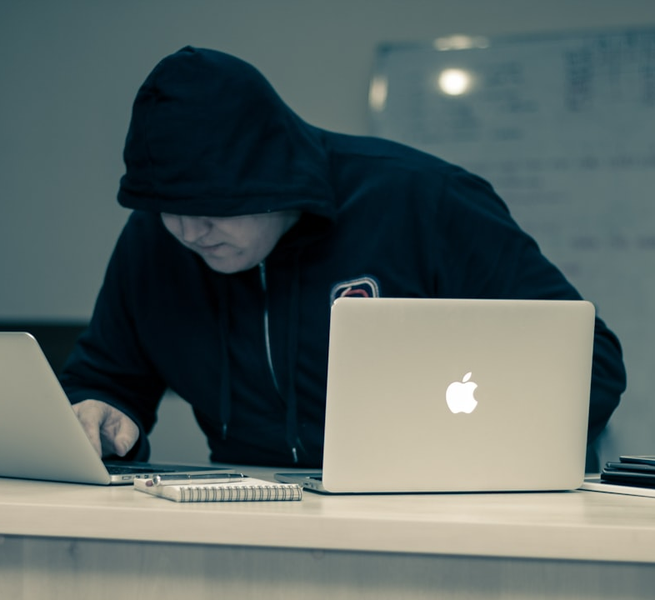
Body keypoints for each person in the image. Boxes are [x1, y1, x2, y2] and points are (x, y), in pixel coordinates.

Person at [60, 46, 626, 468]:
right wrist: (101, 412)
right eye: (165, 207)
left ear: (273, 179)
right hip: (250, 519)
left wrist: (467, 456)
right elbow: (107, 377)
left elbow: (589, 364)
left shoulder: (422, 201)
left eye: (212, 207)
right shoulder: (155, 239)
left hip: (437, 509)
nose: (188, 230)